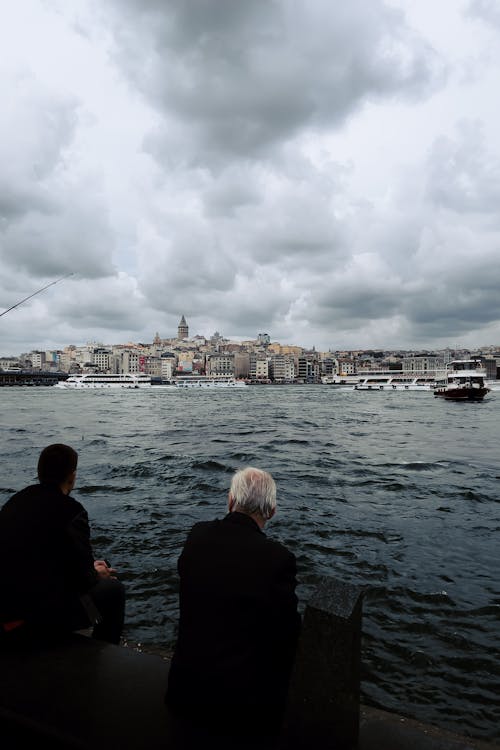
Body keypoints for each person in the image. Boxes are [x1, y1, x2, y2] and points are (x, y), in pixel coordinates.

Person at [166, 466, 301, 744]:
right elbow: (288, 634)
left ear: (230, 501)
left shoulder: (197, 536)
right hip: (241, 709)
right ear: (272, 511)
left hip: (185, 689)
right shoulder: (278, 559)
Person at [0, 443, 125, 645]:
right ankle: (102, 653)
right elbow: (82, 581)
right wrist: (96, 573)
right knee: (114, 590)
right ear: (72, 475)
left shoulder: (14, 502)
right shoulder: (72, 511)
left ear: (40, 472)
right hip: (34, 619)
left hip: (6, 610)